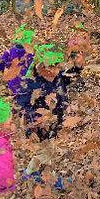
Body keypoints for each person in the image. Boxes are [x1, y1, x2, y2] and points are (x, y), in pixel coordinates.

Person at [16, 44, 83, 174]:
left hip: (54, 121)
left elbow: (68, 78)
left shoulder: (56, 77)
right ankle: (31, 173)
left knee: (49, 151)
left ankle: (43, 174)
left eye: (57, 66)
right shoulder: (31, 83)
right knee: (45, 151)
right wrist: (36, 118)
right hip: (38, 126)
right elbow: (21, 106)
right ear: (40, 67)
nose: (55, 71)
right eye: (51, 67)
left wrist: (77, 66)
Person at [0, 24, 36, 95]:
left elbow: (1, 64)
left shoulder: (10, 51)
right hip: (24, 79)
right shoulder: (31, 53)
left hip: (14, 79)